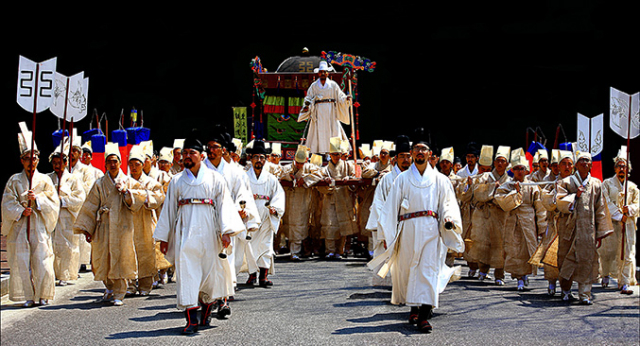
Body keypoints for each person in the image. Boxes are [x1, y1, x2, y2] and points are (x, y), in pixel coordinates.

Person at [372, 129, 463, 333]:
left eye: (424, 149)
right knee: (408, 269)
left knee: (427, 270)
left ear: (430, 154)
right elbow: (390, 208)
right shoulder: (402, 179)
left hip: (431, 230)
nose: (420, 152)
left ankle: (423, 315)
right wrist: (388, 234)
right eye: (417, 149)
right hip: (408, 229)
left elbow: (448, 203)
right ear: (412, 154)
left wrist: (448, 219)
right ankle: (414, 307)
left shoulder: (441, 180)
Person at [155, 134, 246, 335]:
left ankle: (206, 308)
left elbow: (224, 207)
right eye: (185, 153)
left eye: (192, 153)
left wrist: (226, 232)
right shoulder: (177, 181)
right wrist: (164, 238)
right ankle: (191, 321)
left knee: (210, 274)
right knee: (187, 275)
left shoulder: (216, 179)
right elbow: (169, 210)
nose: (187, 156)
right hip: (185, 233)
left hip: (209, 231)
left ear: (201, 156)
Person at [73, 143, 140, 307]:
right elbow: (90, 206)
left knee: (121, 257)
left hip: (123, 226)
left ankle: (120, 291)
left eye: (115, 161)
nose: (112, 164)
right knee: (102, 258)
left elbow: (139, 199)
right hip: (104, 225)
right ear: (105, 164)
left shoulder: (128, 181)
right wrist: (88, 228)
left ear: (119, 163)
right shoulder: (99, 183)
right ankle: (109, 287)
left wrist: (126, 192)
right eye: (109, 161)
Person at [2, 128, 59, 307]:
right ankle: (28, 295)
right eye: (27, 158)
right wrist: (20, 210)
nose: (31, 162)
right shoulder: (14, 180)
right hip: (21, 226)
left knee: (42, 260)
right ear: (22, 160)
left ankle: (43, 294)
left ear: (38, 160)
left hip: (39, 225)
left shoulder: (44, 180)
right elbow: (7, 202)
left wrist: (39, 200)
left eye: (34, 158)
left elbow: (53, 202)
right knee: (21, 260)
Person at [555, 151, 613, 304]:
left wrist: (600, 232)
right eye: (581, 160)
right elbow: (560, 202)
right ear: (576, 164)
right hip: (569, 229)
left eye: (587, 161)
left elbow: (601, 209)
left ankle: (584, 293)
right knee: (566, 260)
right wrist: (575, 196)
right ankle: (566, 289)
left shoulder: (596, 184)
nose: (585, 163)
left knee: (587, 260)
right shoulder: (565, 182)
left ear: (591, 165)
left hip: (588, 229)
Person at [495, 149, 547, 291]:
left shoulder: (532, 186)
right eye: (516, 169)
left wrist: (542, 227)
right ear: (513, 170)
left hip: (529, 221)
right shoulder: (506, 185)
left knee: (526, 250)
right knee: (514, 250)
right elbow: (500, 200)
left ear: (526, 170)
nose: (519, 171)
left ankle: (524, 275)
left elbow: (540, 208)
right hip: (512, 221)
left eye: (521, 169)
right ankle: (518, 277)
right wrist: (515, 193)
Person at [365, 135, 412, 287]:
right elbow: (379, 206)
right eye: (402, 157)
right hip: (390, 226)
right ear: (395, 159)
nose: (405, 160)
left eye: (408, 157)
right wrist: (384, 233)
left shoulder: (417, 179)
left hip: (410, 225)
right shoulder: (387, 180)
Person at [466, 146, 511, 285]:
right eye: (497, 160)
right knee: (483, 242)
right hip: (484, 215)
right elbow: (478, 192)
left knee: (500, 244)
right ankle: (483, 270)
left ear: (507, 164)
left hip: (500, 215)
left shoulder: (509, 179)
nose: (500, 163)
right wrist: (492, 187)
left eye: (503, 161)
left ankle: (499, 275)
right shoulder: (486, 177)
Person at [124, 145, 165, 296]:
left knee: (146, 251)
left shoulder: (151, 183)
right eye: (131, 164)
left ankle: (145, 284)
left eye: (137, 164)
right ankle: (129, 284)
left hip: (146, 221)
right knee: (128, 252)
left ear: (142, 165)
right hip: (128, 221)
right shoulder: (124, 182)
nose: (134, 168)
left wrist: (141, 196)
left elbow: (159, 198)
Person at [245, 140, 286, 287]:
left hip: (266, 213)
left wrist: (275, 207)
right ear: (251, 158)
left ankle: (263, 276)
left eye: (262, 158)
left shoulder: (271, 178)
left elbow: (279, 195)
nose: (259, 161)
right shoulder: (244, 177)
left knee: (266, 245)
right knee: (249, 245)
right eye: (256, 157)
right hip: (250, 214)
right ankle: (251, 275)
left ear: (265, 159)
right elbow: (239, 195)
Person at [599, 146, 638, 294]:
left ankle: (624, 282)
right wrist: (618, 215)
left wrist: (631, 210)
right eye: (619, 166)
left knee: (627, 253)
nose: (622, 169)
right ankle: (605, 274)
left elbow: (638, 203)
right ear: (615, 168)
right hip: (612, 222)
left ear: (628, 169)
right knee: (609, 252)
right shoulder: (607, 184)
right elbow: (606, 201)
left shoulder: (633, 187)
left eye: (624, 166)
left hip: (627, 224)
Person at [47, 146, 86, 287]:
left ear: (65, 163)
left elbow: (80, 198)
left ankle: (65, 274)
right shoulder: (47, 178)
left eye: (60, 163)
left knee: (67, 246)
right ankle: (52, 273)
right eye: (54, 163)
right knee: (50, 245)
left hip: (67, 216)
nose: (57, 166)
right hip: (51, 216)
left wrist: (63, 200)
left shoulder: (73, 179)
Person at [278, 145, 323, 260]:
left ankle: (295, 252)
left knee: (299, 225)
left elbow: (319, 175)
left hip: (302, 201)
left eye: (302, 163)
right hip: (289, 200)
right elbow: (279, 175)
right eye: (298, 162)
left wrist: (305, 179)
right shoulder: (287, 167)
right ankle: (290, 249)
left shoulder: (310, 168)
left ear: (306, 161)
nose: (299, 165)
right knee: (289, 225)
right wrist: (288, 176)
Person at [298, 60, 352, 154]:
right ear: (318, 73)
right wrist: (306, 106)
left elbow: (340, 97)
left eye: (324, 72)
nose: (323, 73)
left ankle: (333, 153)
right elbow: (308, 98)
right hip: (318, 111)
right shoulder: (314, 86)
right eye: (321, 72)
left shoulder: (333, 85)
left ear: (327, 73)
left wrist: (346, 99)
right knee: (318, 132)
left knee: (333, 131)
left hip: (331, 110)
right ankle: (319, 152)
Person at [317, 137, 358, 259]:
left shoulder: (348, 166)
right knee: (330, 225)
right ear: (330, 155)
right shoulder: (324, 169)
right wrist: (326, 182)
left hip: (344, 199)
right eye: (333, 154)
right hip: (330, 200)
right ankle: (330, 250)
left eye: (338, 154)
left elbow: (354, 181)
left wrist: (349, 180)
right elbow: (320, 186)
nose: (336, 157)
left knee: (343, 227)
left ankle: (340, 250)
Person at [457, 144, 493, 277]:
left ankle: (483, 268)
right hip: (468, 210)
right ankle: (472, 266)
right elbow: (460, 192)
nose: (470, 159)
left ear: (477, 158)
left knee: (483, 239)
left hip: (483, 211)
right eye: (468, 157)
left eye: (472, 157)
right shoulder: (461, 173)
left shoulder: (486, 173)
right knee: (468, 238)